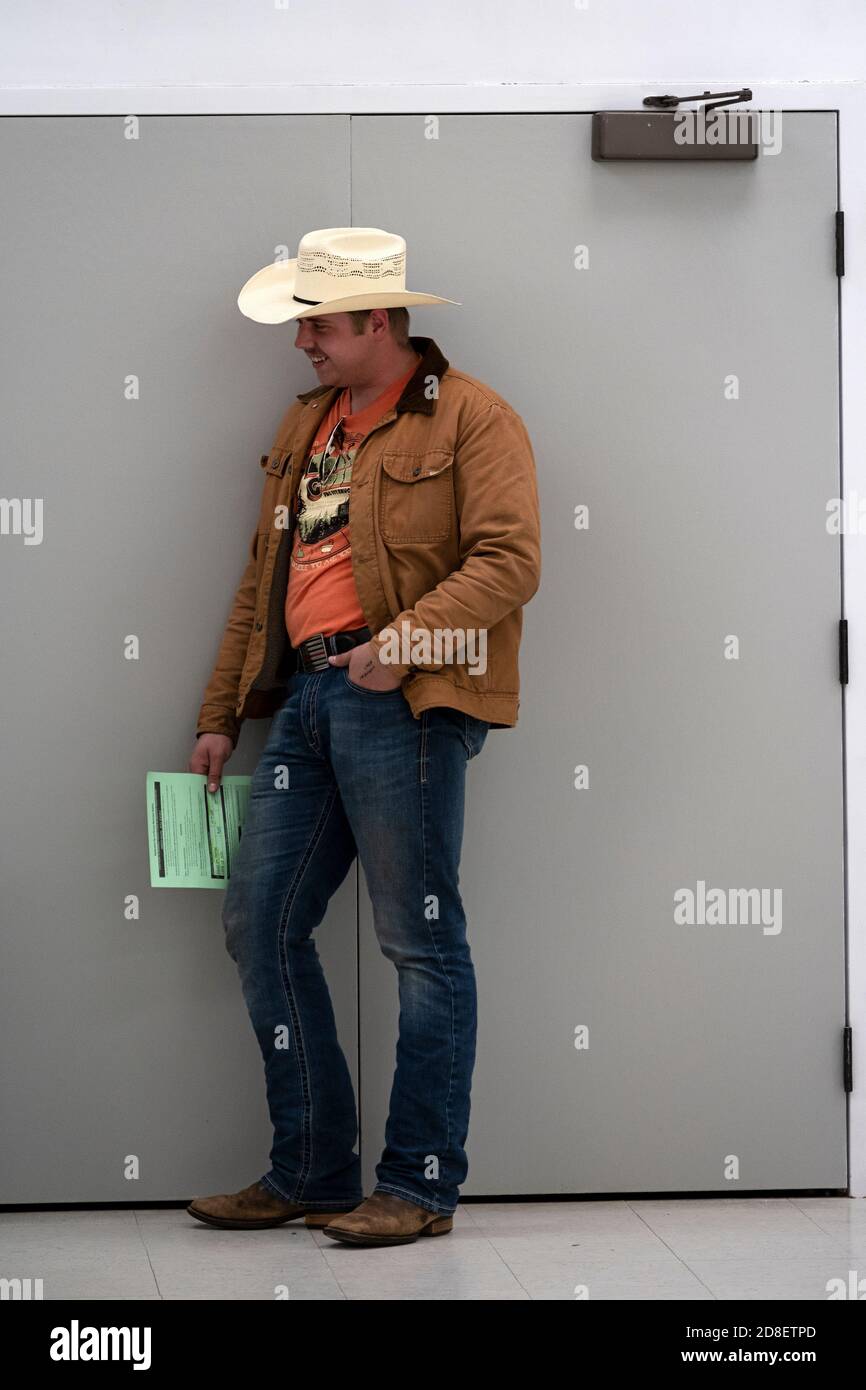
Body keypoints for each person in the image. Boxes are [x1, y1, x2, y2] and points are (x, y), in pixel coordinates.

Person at [185, 227, 541, 1247]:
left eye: (318, 324)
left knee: (419, 944)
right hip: (305, 696)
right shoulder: (306, 426)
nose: (303, 342)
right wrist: (220, 714)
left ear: (378, 322)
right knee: (260, 922)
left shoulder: (473, 418)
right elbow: (263, 580)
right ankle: (309, 1169)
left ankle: (418, 1185)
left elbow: (509, 561)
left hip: (405, 699)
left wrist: (400, 644)